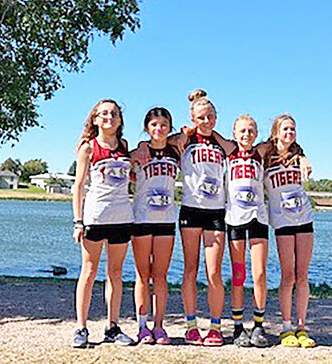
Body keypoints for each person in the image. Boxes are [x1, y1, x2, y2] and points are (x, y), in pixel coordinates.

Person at [71, 99, 136, 349]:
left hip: (122, 218)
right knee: (88, 272)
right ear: (95, 119)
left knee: (116, 274)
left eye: (114, 114)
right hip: (95, 218)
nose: (109, 117)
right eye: (104, 114)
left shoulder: (124, 146)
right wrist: (78, 221)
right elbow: (78, 187)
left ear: (120, 120)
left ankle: (112, 326)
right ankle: (81, 327)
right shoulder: (88, 147)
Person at [178, 90, 229, 346]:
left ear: (216, 117)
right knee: (190, 269)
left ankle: (216, 326)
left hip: (216, 212)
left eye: (210, 116)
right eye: (201, 117)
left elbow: (239, 148)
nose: (206, 121)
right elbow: (157, 142)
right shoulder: (185, 141)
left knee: (214, 272)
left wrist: (211, 132)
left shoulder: (222, 144)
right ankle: (190, 325)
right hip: (190, 209)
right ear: (192, 117)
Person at [263, 113, 316, 348]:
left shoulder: (299, 156)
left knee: (302, 275)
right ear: (276, 132)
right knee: (288, 275)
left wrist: (303, 157)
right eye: (285, 129)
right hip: (282, 221)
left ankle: (302, 327)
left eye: (292, 129)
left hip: (303, 218)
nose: (289, 133)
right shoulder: (266, 154)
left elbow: (302, 155)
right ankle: (286, 327)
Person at [129, 107, 179, 345]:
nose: (159, 129)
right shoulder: (137, 153)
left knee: (160, 275)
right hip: (141, 219)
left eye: (164, 125)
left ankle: (159, 326)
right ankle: (142, 326)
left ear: (169, 128)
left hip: (166, 220)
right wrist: (140, 146)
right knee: (142, 274)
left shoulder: (175, 151)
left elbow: (192, 129)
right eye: (154, 125)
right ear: (147, 127)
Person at [223, 115, 271, 348]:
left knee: (259, 273)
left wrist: (302, 158)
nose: (246, 135)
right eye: (242, 131)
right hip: (234, 219)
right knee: (239, 274)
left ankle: (259, 325)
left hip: (258, 219)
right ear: (234, 133)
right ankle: (238, 326)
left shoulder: (261, 154)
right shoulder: (228, 154)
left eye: (251, 131)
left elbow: (285, 141)